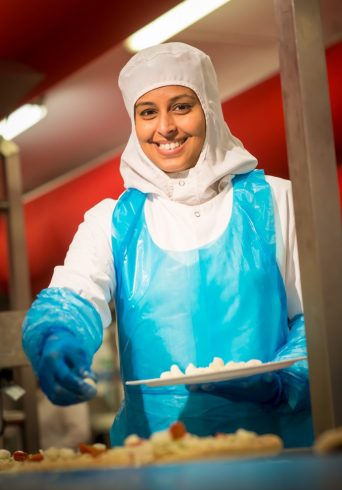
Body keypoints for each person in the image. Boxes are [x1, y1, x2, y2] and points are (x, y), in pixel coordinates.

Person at [22, 42, 313, 448]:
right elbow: (75, 296)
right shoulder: (112, 221)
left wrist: (286, 382)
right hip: (156, 460)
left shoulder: (279, 201)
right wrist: (58, 336)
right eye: (147, 112)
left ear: (209, 108)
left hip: (279, 451)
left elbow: (320, 317)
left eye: (181, 106)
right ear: (134, 122)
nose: (165, 128)